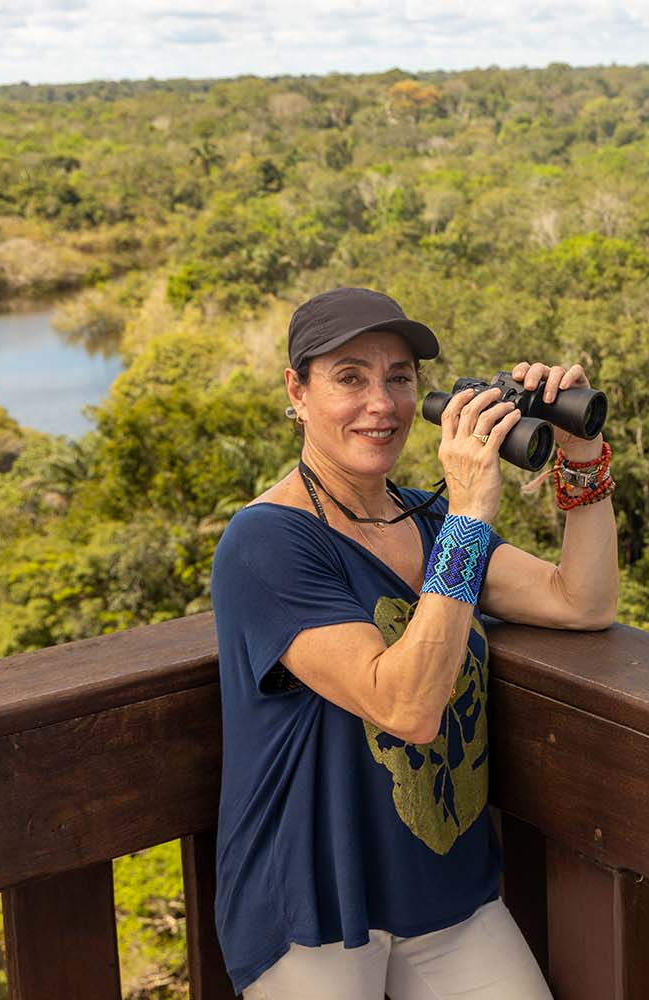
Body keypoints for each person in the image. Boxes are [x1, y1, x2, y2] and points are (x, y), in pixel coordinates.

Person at [208, 287, 619, 999]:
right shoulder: (266, 541)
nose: (382, 402)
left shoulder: (426, 522)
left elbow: (581, 601)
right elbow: (403, 705)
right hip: (313, 907)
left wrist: (579, 453)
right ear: (297, 392)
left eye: (399, 378)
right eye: (350, 378)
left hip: (445, 891)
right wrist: (469, 510)